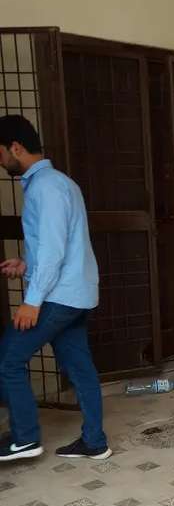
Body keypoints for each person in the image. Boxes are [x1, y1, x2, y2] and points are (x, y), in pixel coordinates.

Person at [0, 114, 111, 462]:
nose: (0, 161)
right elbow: (58, 244)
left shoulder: (45, 188)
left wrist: (32, 302)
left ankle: (25, 439)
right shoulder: (59, 183)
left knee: (8, 359)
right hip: (75, 294)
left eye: (0, 153)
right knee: (80, 367)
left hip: (57, 297)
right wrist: (25, 264)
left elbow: (52, 250)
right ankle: (95, 442)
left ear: (15, 148)